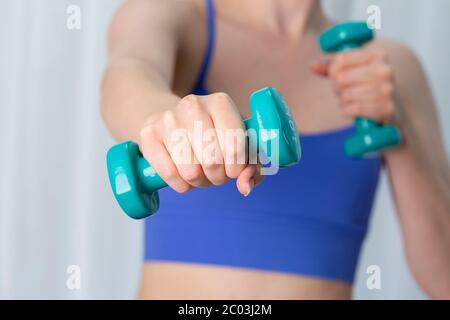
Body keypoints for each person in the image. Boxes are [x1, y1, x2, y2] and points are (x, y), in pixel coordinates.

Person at [100, 0, 450, 299]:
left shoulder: (388, 67)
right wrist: (165, 120)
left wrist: (401, 125)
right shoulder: (176, 16)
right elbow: (127, 74)